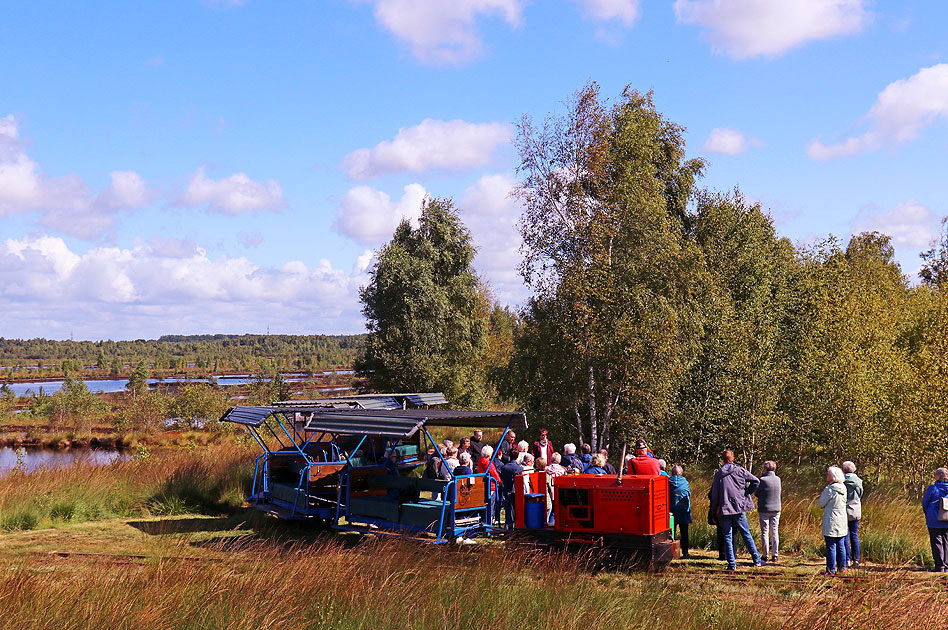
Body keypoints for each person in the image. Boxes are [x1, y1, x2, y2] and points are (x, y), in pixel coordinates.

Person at [711, 449, 765, 571]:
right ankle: (756, 560)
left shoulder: (719, 474)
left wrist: (714, 511)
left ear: (723, 460)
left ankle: (732, 565)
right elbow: (756, 481)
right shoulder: (739, 470)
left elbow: (714, 495)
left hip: (724, 510)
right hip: (739, 508)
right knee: (746, 534)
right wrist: (746, 493)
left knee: (727, 536)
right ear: (733, 459)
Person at [818, 466, 849, 576]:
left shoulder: (829, 489)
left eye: (828, 474)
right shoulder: (843, 488)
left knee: (831, 545)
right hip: (842, 518)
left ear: (833, 477)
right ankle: (842, 568)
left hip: (831, 518)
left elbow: (820, 503)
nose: (827, 476)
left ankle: (830, 570)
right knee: (841, 545)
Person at [755, 460, 782, 564]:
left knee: (765, 532)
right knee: (774, 531)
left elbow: (757, 493)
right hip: (776, 508)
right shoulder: (778, 479)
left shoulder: (762, 480)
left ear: (765, 468)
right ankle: (775, 555)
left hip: (764, 509)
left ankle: (765, 555)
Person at [922, 467, 948, 572]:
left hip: (934, 519)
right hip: (947, 519)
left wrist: (927, 514)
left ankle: (940, 566)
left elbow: (925, 503)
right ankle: (946, 566)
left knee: (936, 541)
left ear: (938, 476)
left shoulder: (932, 488)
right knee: (947, 542)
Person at [841, 461, 863, 568]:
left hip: (844, 509)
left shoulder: (841, 480)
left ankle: (846, 559)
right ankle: (856, 560)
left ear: (844, 470)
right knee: (854, 535)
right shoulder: (858, 480)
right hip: (855, 508)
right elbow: (860, 494)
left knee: (845, 535)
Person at [669, 464, 692, 558]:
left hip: (671, 509)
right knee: (684, 531)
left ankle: (671, 552)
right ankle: (685, 552)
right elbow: (688, 493)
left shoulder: (667, 481)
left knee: (671, 531)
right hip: (683, 509)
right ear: (681, 473)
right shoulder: (685, 482)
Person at [478, 445, 503, 525]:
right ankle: (489, 523)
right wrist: (500, 482)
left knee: (485, 505)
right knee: (491, 505)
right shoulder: (489, 464)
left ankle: (484, 521)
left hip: (483, 485)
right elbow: (495, 474)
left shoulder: (480, 461)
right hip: (491, 486)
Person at [500, 452, 524, 529]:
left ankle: (509, 526)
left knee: (507, 510)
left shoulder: (504, 467)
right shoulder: (519, 468)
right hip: (515, 491)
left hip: (506, 490)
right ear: (517, 457)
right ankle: (516, 526)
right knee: (515, 510)